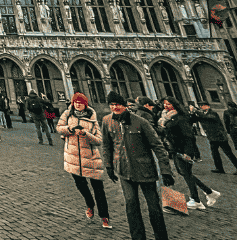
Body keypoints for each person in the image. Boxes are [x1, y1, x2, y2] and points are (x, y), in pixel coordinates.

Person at [102, 91, 174, 240]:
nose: (114, 107)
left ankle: (161, 237)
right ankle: (138, 237)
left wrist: (165, 170)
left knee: (154, 207)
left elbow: (157, 146)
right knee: (131, 205)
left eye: (117, 104)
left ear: (124, 105)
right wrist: (108, 165)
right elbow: (107, 145)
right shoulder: (107, 121)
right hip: (123, 170)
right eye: (111, 105)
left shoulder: (140, 121)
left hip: (144, 169)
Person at [57, 92, 111, 229]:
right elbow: (59, 128)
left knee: (98, 188)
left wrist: (86, 134)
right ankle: (90, 204)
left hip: (91, 157)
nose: (78, 105)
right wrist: (69, 129)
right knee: (81, 185)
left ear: (85, 104)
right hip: (73, 157)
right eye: (76, 102)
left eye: (80, 103)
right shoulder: (67, 114)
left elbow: (99, 140)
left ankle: (105, 216)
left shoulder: (92, 118)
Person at [158, 96, 218, 211]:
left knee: (186, 173)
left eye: (169, 104)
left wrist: (188, 153)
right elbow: (167, 131)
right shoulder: (167, 117)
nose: (166, 106)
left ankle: (196, 201)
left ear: (175, 104)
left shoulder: (180, 117)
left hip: (182, 149)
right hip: (175, 148)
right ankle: (209, 192)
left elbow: (188, 136)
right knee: (185, 173)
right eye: (165, 104)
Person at [190, 100, 237, 175]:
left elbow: (208, 117)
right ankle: (219, 168)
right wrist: (192, 113)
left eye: (202, 105)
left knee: (229, 153)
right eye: (200, 106)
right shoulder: (203, 114)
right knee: (215, 153)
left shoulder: (212, 113)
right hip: (212, 137)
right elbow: (193, 120)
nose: (201, 107)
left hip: (220, 137)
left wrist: (196, 111)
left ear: (207, 106)